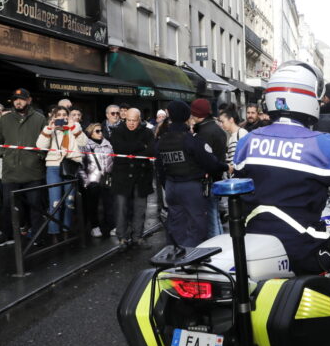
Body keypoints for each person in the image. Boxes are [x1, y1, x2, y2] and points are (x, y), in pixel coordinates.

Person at [233, 61, 330, 322]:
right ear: (312, 100)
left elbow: (239, 178)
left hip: (249, 239)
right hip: (300, 245)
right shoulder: (323, 145)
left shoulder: (248, 141)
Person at [158, 101, 228, 246]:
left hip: (171, 187)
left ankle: (178, 255)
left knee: (176, 224)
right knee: (197, 225)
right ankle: (191, 258)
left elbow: (159, 168)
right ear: (186, 117)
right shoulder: (191, 140)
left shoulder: (162, 140)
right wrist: (226, 167)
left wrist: (168, 185)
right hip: (191, 187)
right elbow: (210, 163)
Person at [0, 89, 47, 246]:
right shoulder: (5, 119)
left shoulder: (39, 119)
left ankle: (37, 236)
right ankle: (7, 236)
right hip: (11, 171)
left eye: (21, 99)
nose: (18, 102)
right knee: (8, 206)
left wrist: (39, 156)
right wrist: (2, 154)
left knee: (36, 206)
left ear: (29, 100)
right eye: (15, 99)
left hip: (33, 172)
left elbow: (47, 140)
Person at [36, 106, 87, 243]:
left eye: (65, 114)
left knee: (69, 202)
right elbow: (40, 146)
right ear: (54, 117)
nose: (62, 117)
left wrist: (74, 127)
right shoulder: (51, 129)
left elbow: (84, 143)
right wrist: (49, 128)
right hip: (53, 167)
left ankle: (66, 230)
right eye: (59, 115)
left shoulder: (74, 127)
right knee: (55, 202)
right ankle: (54, 232)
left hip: (70, 167)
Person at [110, 108, 155, 247]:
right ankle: (122, 237)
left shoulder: (147, 132)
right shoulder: (117, 131)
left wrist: (131, 149)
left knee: (140, 209)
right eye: (128, 120)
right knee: (121, 209)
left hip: (141, 175)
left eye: (134, 120)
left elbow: (151, 150)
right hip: (122, 176)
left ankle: (138, 236)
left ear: (139, 119)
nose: (131, 123)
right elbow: (119, 148)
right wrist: (140, 146)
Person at [190, 98, 227, 238]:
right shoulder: (216, 128)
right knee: (214, 214)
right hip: (216, 176)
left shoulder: (204, 132)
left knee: (212, 217)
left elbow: (204, 159)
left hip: (208, 179)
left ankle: (217, 247)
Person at [79, 122, 114, 238]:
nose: (100, 133)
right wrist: (86, 182)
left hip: (107, 178)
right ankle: (95, 227)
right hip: (93, 180)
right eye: (97, 131)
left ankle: (111, 225)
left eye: (101, 131)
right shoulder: (86, 146)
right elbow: (80, 166)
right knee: (93, 205)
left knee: (109, 203)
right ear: (90, 133)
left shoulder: (108, 144)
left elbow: (113, 161)